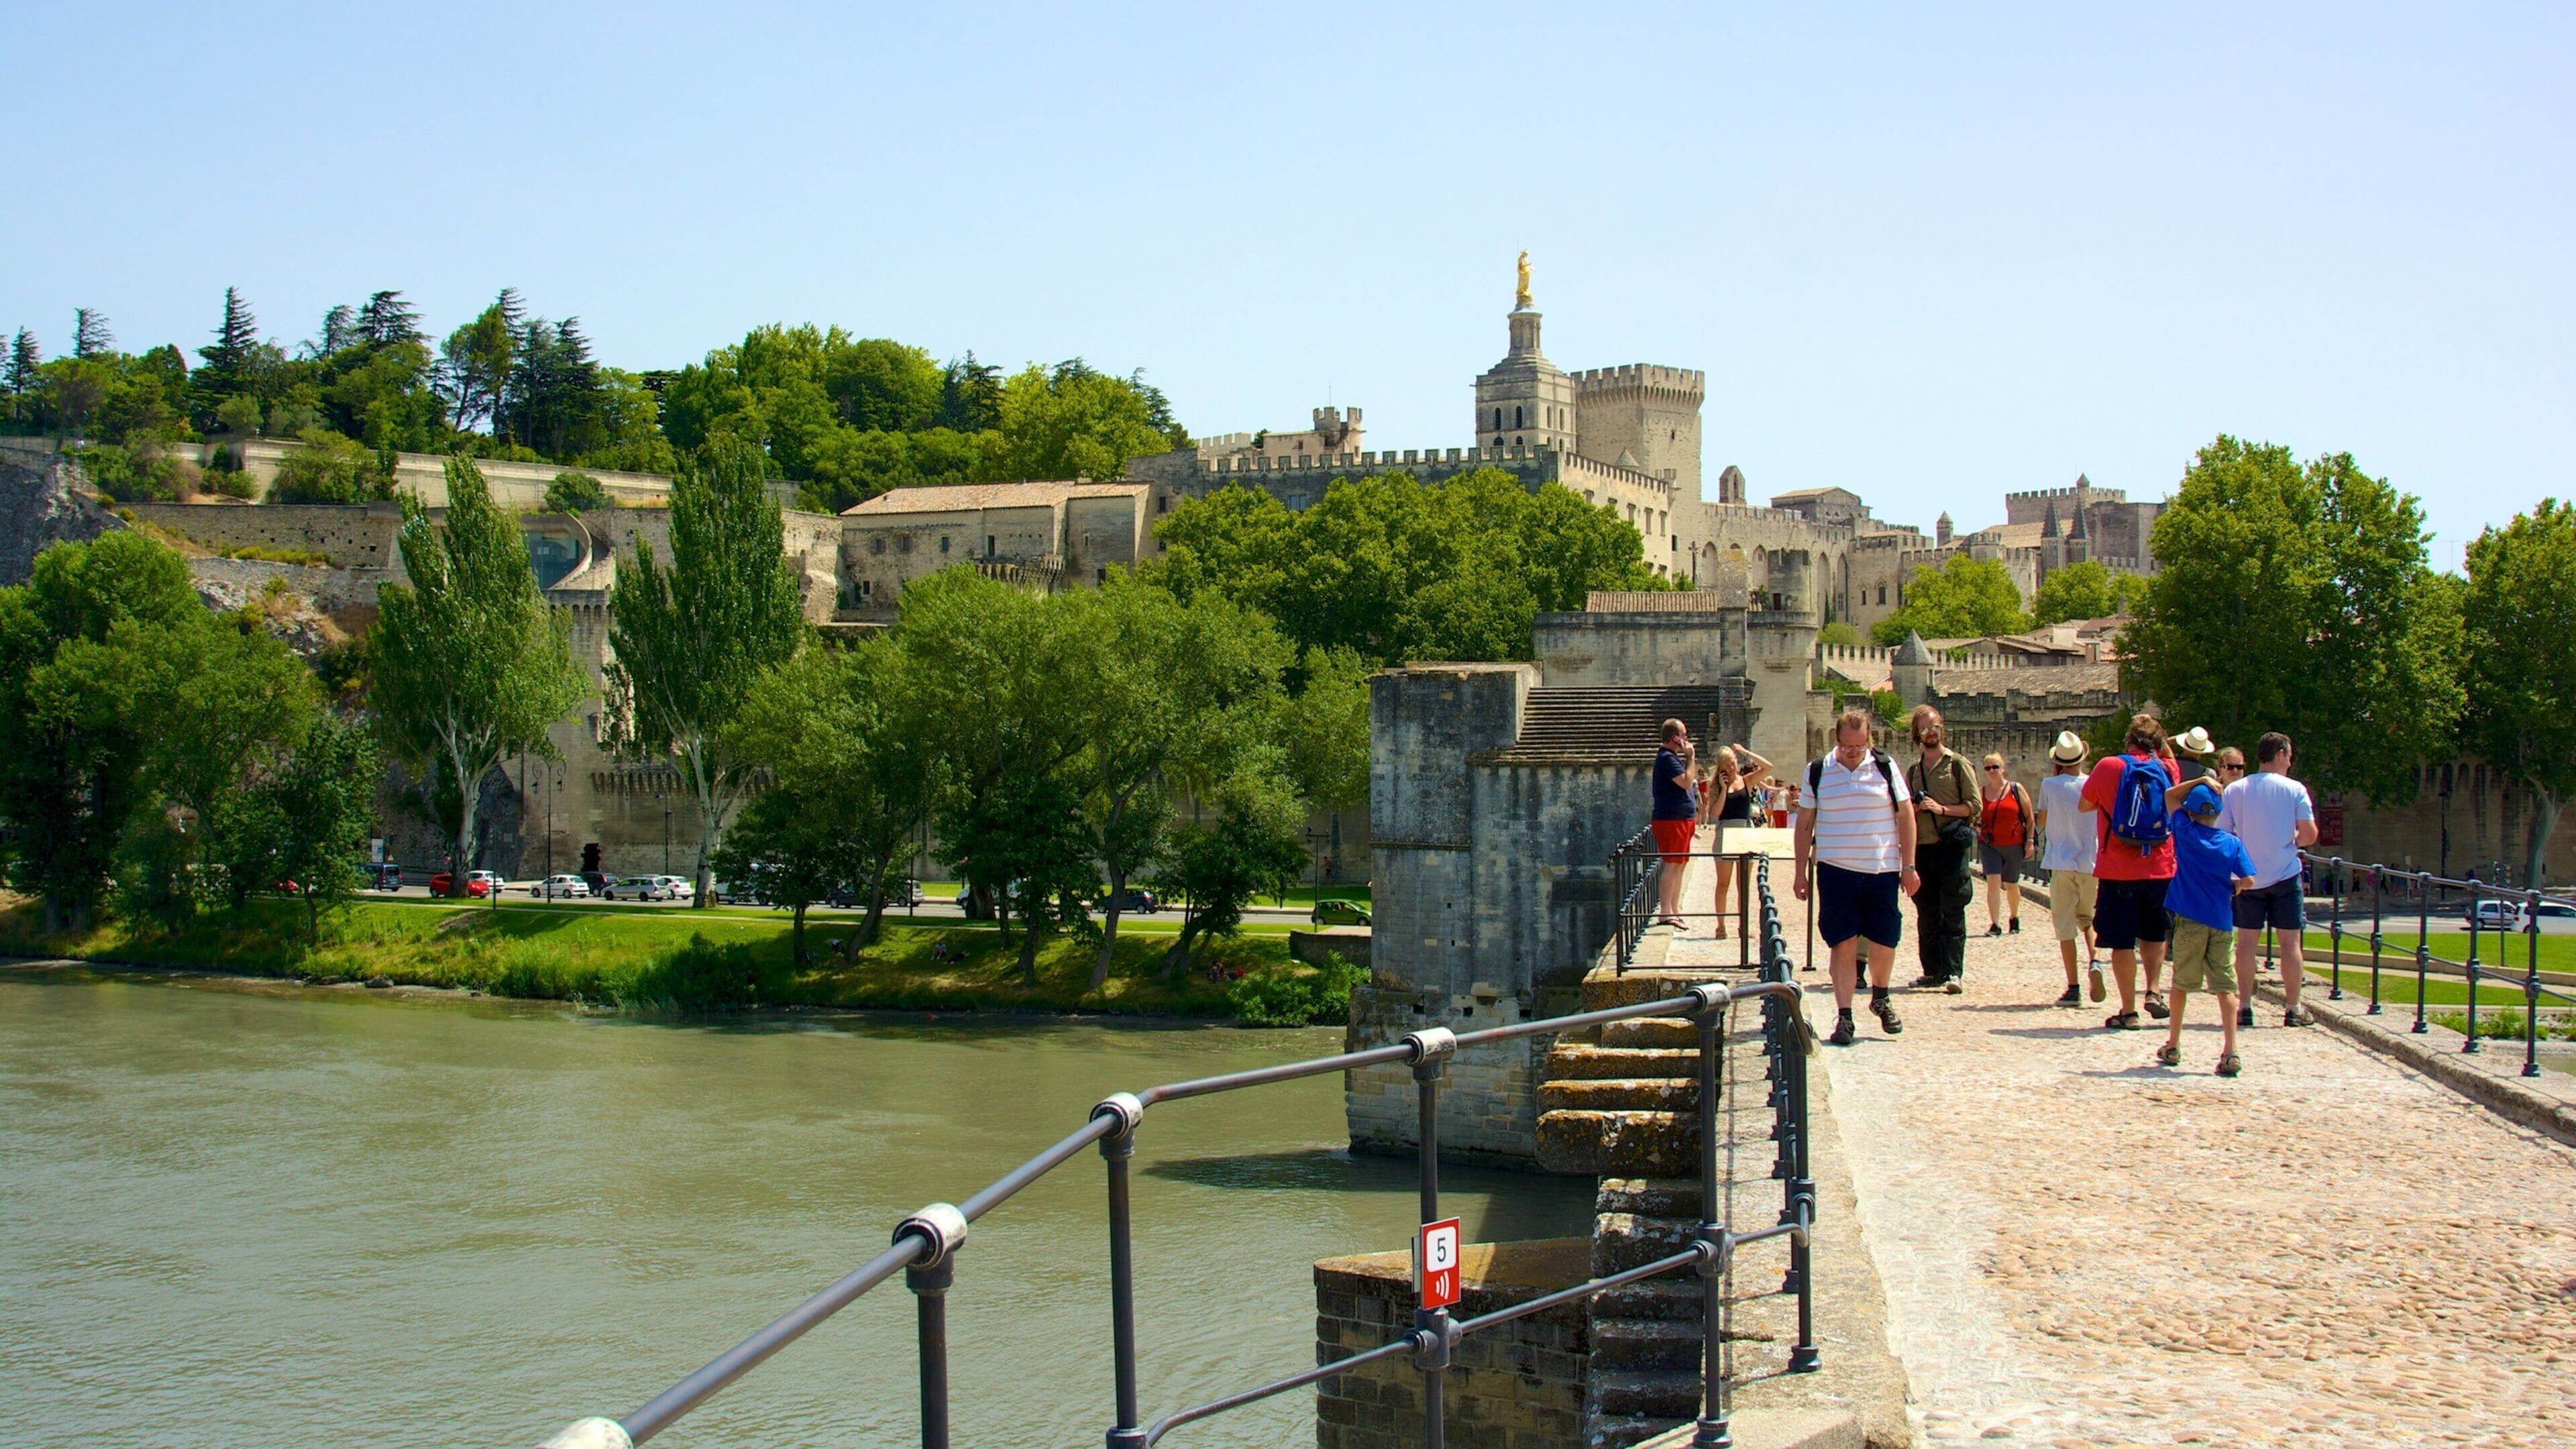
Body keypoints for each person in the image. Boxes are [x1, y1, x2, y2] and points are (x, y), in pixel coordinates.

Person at [1793, 708, 1921, 1045]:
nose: (1853, 753)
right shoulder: (1818, 771)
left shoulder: (1885, 766)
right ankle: (1845, 1016)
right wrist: (1799, 871)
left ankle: (1881, 996)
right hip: (1836, 870)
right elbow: (1805, 822)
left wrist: (1909, 866)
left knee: (1885, 940)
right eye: (1848, 746)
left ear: (1869, 741)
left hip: (1881, 868)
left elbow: (1906, 815)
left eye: (1859, 746)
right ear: (1837, 740)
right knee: (1842, 942)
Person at [2080, 713, 2181, 1029]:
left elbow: (2085, 804)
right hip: (2160, 865)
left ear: (2128, 740)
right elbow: (2170, 756)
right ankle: (2153, 989)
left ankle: (2129, 1010)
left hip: (2117, 867)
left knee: (2122, 942)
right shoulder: (2167, 769)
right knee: (2154, 933)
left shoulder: (2109, 766)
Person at [2219, 731, 2319, 1028]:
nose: (2290, 762)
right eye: (2288, 756)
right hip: (2285, 874)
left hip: (2247, 876)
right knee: (2290, 944)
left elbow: (2224, 836)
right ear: (2279, 754)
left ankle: (2246, 1007)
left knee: (2247, 944)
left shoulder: (2236, 790)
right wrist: (2290, 840)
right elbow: (2310, 835)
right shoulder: (2295, 789)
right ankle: (2293, 1007)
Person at [2157, 782, 2255, 1077]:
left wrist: (2200, 781)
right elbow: (2249, 879)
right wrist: (2235, 886)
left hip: (2190, 918)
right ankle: (2231, 1050)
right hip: (2221, 920)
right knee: (2225, 987)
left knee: (2181, 984)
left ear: (2190, 812)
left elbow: (2169, 795)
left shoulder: (2185, 833)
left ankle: (2173, 1044)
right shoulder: (2231, 843)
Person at [1904, 705, 1980, 993]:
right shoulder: (1914, 770)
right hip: (1924, 847)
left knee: (1953, 907)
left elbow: (1974, 806)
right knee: (1926, 911)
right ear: (1917, 734)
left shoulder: (1958, 764)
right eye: (1924, 728)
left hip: (1951, 845)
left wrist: (1943, 808)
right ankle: (1932, 971)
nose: (1930, 732)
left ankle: (1952, 972)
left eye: (1934, 726)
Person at [2035, 731, 2102, 1006]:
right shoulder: (2092, 785)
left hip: (2061, 862)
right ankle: (2096, 960)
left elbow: (2041, 822)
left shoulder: (2050, 785)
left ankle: (2073, 986)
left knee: (2065, 928)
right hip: (2090, 861)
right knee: (2088, 920)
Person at [1707, 743, 1774, 938]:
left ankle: (1743, 925)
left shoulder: (1747, 781)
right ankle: (1721, 926)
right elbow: (1716, 814)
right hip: (1725, 833)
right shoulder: (1716, 786)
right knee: (1723, 883)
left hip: (1745, 833)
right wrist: (1723, 789)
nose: (1731, 768)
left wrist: (1746, 752)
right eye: (1727, 765)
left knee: (1743, 884)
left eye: (1733, 763)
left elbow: (1768, 767)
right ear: (1720, 768)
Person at [1977, 752, 2033, 935]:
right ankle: (1995, 924)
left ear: (2003, 768)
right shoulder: (1981, 792)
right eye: (1988, 768)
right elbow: (1974, 815)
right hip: (1989, 844)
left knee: (2011, 884)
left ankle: (2014, 916)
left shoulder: (2016, 789)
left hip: (2013, 843)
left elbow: (2029, 817)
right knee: (1993, 882)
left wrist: (2030, 841)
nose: (1992, 771)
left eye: (1995, 767)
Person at [1650, 718, 1698, 928]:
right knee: (1672, 865)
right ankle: (1665, 912)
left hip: (1682, 817)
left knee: (1680, 864)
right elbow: (1686, 782)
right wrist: (1691, 758)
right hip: (1671, 818)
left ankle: (1674, 910)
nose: (1687, 739)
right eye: (1684, 735)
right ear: (1675, 738)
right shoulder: (1667, 759)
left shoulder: (1672, 758)